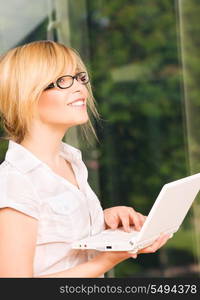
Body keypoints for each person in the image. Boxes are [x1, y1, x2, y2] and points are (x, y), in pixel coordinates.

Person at [0, 41, 170, 278]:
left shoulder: (71, 162)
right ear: (27, 95)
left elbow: (56, 242)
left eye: (79, 77)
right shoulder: (15, 182)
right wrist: (103, 262)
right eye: (62, 81)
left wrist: (102, 221)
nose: (80, 88)